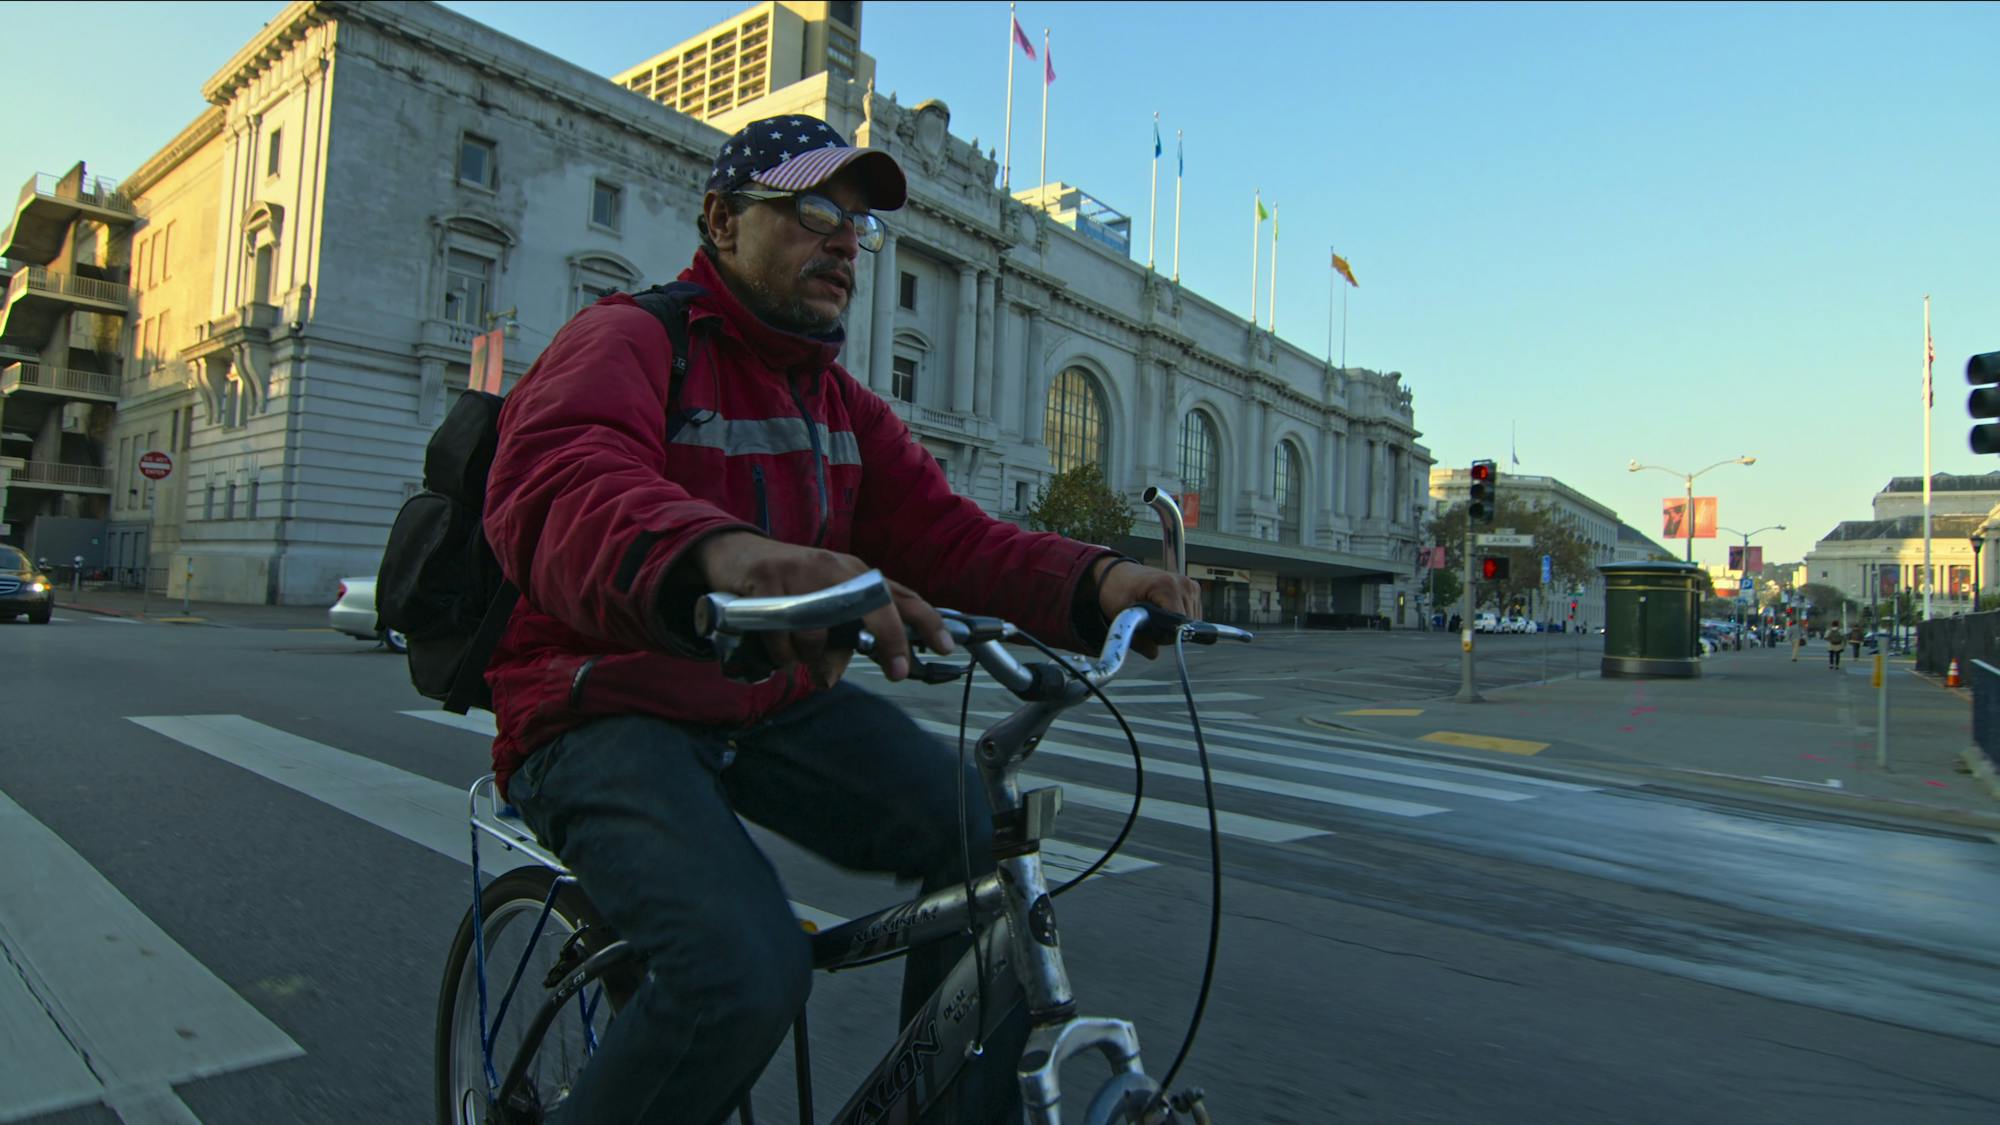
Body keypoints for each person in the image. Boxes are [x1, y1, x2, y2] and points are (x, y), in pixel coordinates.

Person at [478, 115, 1199, 1125]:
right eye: (813, 209)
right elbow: (558, 483)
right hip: (601, 704)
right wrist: (729, 557)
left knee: (979, 837)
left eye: (857, 222)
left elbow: (952, 537)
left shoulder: (844, 406)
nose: (844, 241)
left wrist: (1099, 581)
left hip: (765, 704)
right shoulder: (631, 337)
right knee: (741, 968)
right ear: (722, 222)